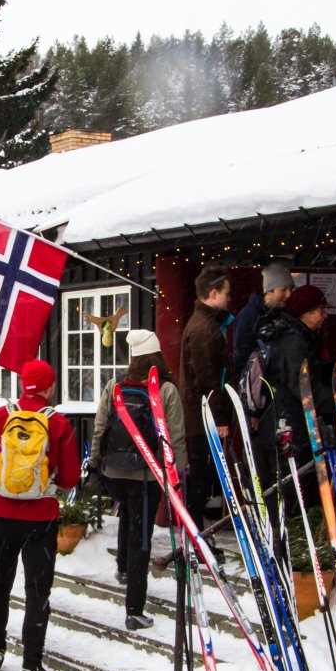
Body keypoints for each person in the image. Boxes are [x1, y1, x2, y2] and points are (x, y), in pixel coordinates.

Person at [0, 358, 80, 671]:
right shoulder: (58, 423)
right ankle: (32, 666)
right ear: (49, 388)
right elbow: (71, 477)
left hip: (1, 515)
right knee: (37, 590)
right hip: (40, 518)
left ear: (22, 386)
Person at [88, 330, 184, 630]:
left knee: (128, 516)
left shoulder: (114, 385)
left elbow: (100, 426)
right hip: (147, 474)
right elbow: (175, 437)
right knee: (140, 537)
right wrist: (175, 477)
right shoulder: (165, 389)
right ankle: (134, 610)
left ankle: (123, 569)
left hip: (114, 471)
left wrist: (94, 463)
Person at [180, 264, 232, 530]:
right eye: (226, 294)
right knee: (200, 477)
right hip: (204, 417)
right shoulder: (204, 328)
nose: (229, 299)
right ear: (214, 293)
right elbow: (208, 378)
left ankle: (196, 530)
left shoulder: (205, 323)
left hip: (202, 414)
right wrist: (219, 417)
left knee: (202, 476)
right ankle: (195, 532)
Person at [255, 283, 332, 464]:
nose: (325, 316)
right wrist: (335, 399)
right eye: (320, 310)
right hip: (286, 426)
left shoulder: (297, 336)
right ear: (305, 312)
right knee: (291, 484)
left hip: (286, 423)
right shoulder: (292, 341)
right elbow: (303, 387)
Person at [231, 263, 294, 377]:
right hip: (260, 388)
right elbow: (241, 358)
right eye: (283, 289)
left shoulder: (283, 314)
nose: (289, 294)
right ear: (269, 290)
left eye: (290, 289)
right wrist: (254, 385)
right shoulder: (249, 316)